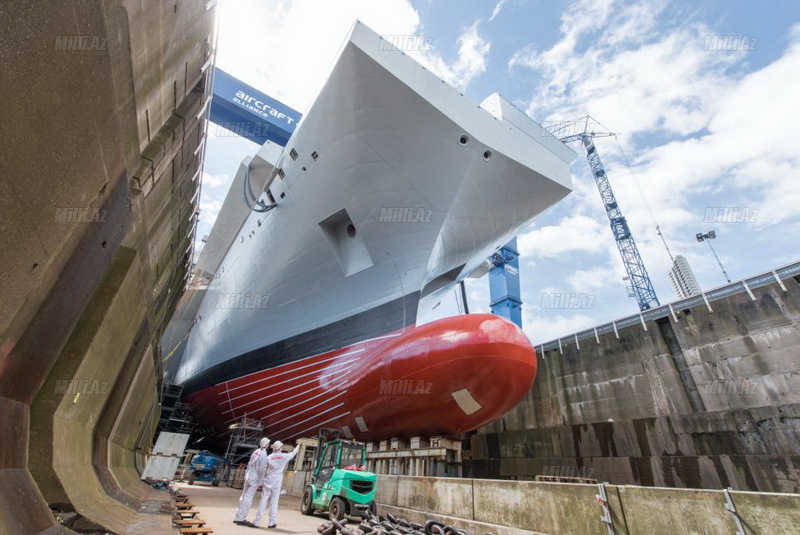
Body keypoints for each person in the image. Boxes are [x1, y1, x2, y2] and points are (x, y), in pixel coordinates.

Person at [259, 440, 299, 528]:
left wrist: (261, 480)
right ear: (281, 448)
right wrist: (298, 446)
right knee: (274, 501)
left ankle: (257, 521)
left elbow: (264, 468)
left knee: (263, 499)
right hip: (277, 479)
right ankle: (271, 522)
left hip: (269, 478)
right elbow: (293, 454)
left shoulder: (269, 457)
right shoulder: (283, 456)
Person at [233, 437, 270, 527]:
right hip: (255, 478)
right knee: (248, 498)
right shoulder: (264, 454)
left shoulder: (255, 451)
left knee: (243, 496)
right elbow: (262, 469)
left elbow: (249, 463)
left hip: (249, 475)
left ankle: (236, 516)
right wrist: (261, 480)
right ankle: (241, 518)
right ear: (267, 445)